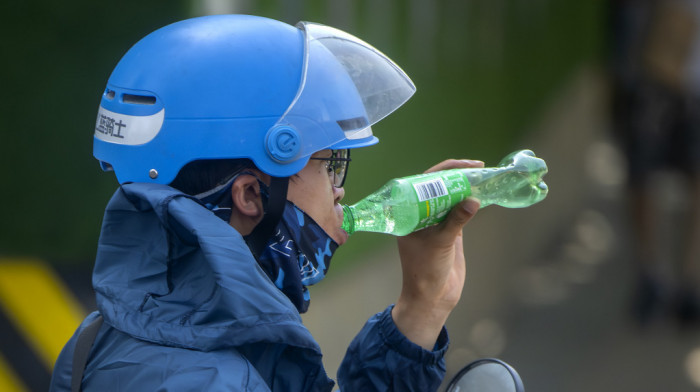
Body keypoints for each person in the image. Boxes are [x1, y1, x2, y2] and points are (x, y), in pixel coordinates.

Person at [49, 14, 482, 391]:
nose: (339, 190)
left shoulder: (115, 334)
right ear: (251, 195)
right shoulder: (211, 381)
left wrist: (423, 303)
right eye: (329, 165)